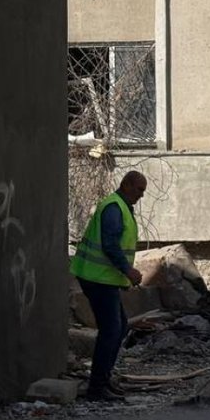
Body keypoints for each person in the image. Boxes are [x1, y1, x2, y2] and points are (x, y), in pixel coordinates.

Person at [69, 171, 148, 401]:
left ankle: (103, 379)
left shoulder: (119, 206)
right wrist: (128, 270)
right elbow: (110, 244)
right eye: (139, 190)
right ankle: (97, 387)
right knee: (112, 330)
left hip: (103, 278)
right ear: (126, 185)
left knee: (119, 327)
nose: (141, 195)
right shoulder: (114, 208)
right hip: (97, 278)